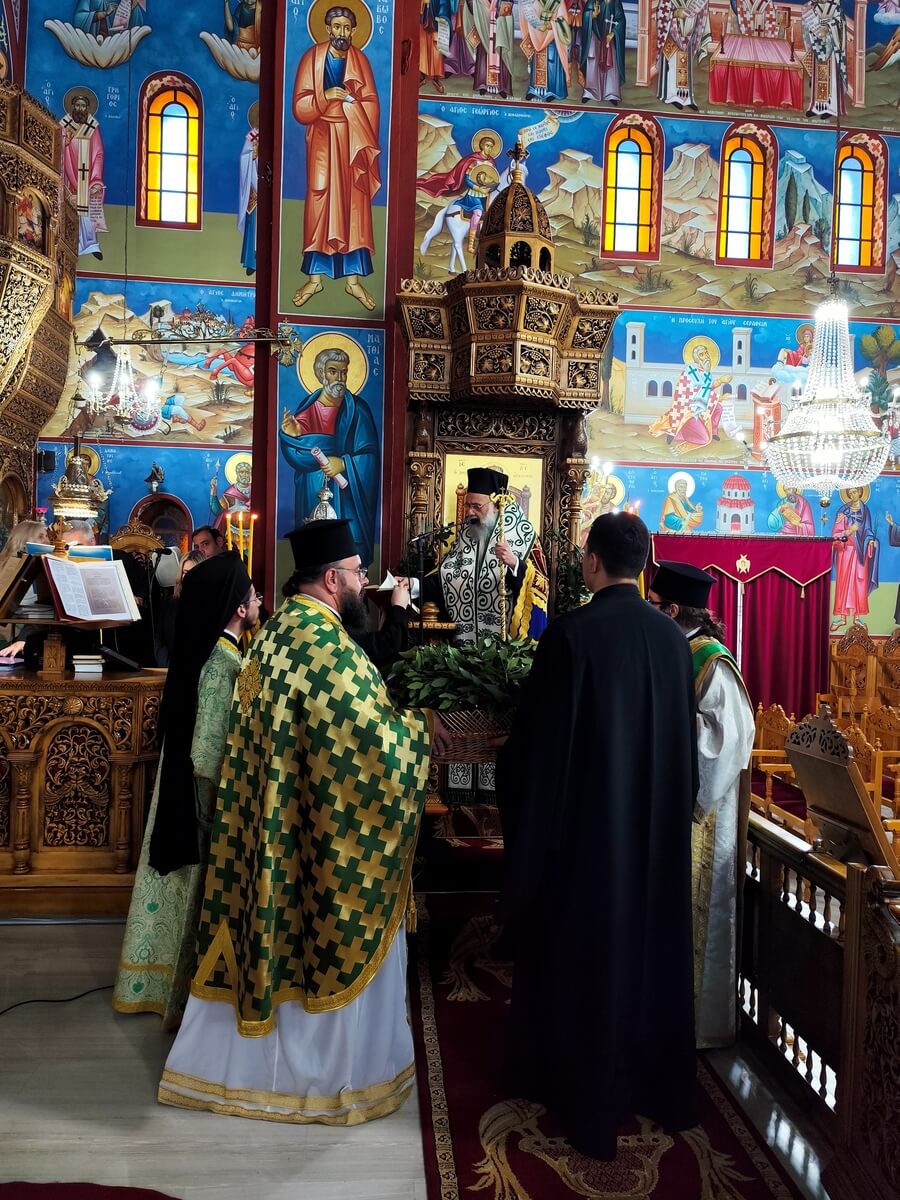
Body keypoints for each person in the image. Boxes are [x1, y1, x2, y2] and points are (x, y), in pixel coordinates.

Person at [158, 520, 448, 1123]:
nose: (366, 582)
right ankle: (324, 1071)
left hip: (273, 824)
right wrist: (420, 731)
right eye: (359, 572)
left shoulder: (278, 631)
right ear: (332, 578)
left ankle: (242, 1066)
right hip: (309, 830)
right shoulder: (323, 647)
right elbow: (368, 744)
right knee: (318, 926)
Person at [496, 513, 699, 1158]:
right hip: (653, 841)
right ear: (642, 566)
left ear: (592, 562)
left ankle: (577, 1086)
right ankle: (649, 1080)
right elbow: (685, 754)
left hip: (586, 847)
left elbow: (538, 754)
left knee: (583, 963)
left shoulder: (572, 635)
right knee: (646, 956)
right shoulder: (673, 642)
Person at [113, 551, 258, 1027]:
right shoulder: (221, 662)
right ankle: (172, 992)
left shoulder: (212, 652)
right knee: (185, 893)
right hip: (199, 800)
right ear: (239, 608)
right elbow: (209, 749)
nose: (260, 600)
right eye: (253, 594)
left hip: (187, 787)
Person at [648, 561, 755, 1050]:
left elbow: (727, 741)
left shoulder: (711, 661)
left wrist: (671, 726)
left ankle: (701, 1027)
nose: (649, 611)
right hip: (673, 801)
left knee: (701, 915)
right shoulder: (676, 649)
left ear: (673, 610)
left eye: (653, 605)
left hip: (703, 811)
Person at [292, 6, 381, 312]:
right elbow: (300, 107)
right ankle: (314, 279)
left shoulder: (361, 61)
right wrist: (326, 96)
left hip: (353, 141)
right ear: (328, 29)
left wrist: (354, 108)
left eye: (347, 27)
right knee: (321, 201)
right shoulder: (312, 58)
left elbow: (372, 102)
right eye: (337, 27)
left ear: (353, 30)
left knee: (353, 205)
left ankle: (353, 281)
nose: (342, 32)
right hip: (322, 139)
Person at [423, 467, 548, 642]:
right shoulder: (467, 533)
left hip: (506, 645)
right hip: (465, 644)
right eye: (468, 505)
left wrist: (515, 564)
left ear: (497, 505)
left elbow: (541, 585)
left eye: (476, 506)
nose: (469, 512)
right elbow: (446, 576)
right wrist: (413, 584)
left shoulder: (525, 536)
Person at [279, 345, 379, 563]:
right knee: (316, 556)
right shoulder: (307, 410)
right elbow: (297, 453)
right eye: (333, 371)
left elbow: (370, 455)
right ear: (321, 373)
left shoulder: (358, 410)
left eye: (344, 372)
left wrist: (343, 464)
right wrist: (293, 436)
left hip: (347, 496)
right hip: (313, 491)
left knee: (348, 555)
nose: (340, 378)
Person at [650, 339, 729, 453]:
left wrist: (721, 381)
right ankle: (680, 432)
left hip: (698, 406)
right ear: (696, 358)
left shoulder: (705, 372)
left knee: (718, 408)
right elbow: (697, 392)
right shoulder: (691, 371)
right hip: (687, 411)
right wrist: (719, 398)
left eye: (706, 353)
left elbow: (706, 388)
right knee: (704, 439)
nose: (706, 356)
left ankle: (713, 432)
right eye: (702, 354)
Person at [60, 88, 106, 259]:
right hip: (69, 173)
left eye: (83, 105)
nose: (80, 108)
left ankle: (91, 245)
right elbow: (59, 148)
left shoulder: (93, 126)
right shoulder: (65, 125)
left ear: (87, 108)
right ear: (73, 106)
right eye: (77, 105)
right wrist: (65, 141)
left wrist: (96, 177)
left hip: (88, 175)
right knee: (70, 207)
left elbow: (98, 152)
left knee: (88, 208)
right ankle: (70, 243)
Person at [831, 486, 879, 632]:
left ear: (860, 492)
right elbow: (836, 535)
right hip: (845, 551)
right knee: (844, 582)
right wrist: (848, 531)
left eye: (855, 492)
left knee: (860, 582)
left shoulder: (865, 511)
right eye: (850, 493)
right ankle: (842, 618)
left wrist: (871, 541)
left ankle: (857, 617)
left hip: (861, 552)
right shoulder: (843, 511)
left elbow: (869, 531)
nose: (852, 494)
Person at [655, 0, 711, 111]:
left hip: (688, 36)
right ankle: (671, 96)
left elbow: (701, 11)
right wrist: (675, 13)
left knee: (685, 66)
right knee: (672, 66)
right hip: (671, 34)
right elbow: (661, 11)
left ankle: (686, 98)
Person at [802, 0, 846, 118]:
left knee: (831, 79)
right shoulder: (813, 8)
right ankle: (817, 107)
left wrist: (829, 27)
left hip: (831, 49)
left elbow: (840, 24)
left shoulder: (835, 8)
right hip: (817, 47)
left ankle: (831, 108)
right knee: (818, 78)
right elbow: (807, 27)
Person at [520, 0, 571, 101]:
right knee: (536, 63)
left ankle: (552, 91)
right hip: (537, 37)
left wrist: (552, 25)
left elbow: (563, 20)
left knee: (551, 63)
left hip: (551, 38)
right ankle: (534, 89)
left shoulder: (558, 1)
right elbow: (527, 14)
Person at [580, 0, 625, 104]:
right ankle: (591, 92)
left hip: (609, 39)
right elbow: (585, 15)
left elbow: (621, 20)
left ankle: (611, 93)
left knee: (611, 62)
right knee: (593, 63)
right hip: (594, 37)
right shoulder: (593, 1)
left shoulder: (615, 2)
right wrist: (592, 15)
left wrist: (613, 33)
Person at [237, 104, 258, 275]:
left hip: (268, 186)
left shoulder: (274, 134)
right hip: (254, 187)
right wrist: (253, 153)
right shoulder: (252, 136)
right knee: (253, 223)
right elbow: (244, 158)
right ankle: (251, 261)